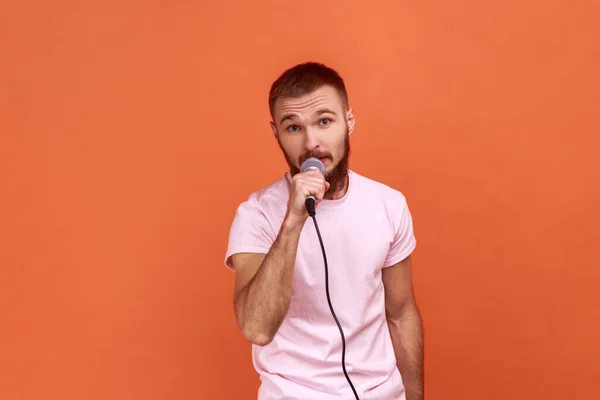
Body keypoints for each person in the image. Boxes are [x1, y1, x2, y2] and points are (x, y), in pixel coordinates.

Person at [224, 62, 424, 400]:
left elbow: (401, 314)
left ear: (349, 121)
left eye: (324, 121)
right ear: (276, 134)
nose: (311, 142)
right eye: (293, 127)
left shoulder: (389, 204)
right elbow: (257, 328)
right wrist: (293, 221)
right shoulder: (256, 215)